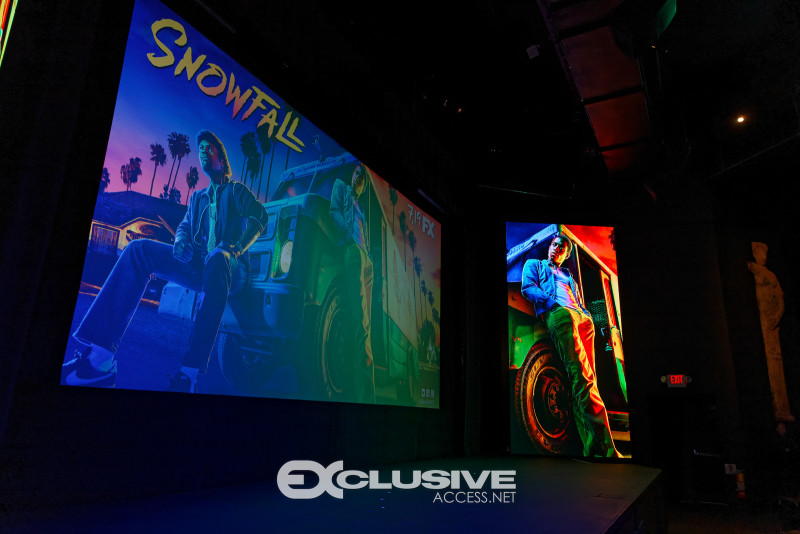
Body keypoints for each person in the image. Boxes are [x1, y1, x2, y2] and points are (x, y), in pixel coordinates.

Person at [62, 130, 269, 393]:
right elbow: (184, 227)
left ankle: (188, 375)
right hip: (200, 265)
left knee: (218, 257)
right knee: (138, 250)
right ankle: (99, 361)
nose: (203, 152)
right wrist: (180, 241)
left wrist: (236, 248)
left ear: (222, 157)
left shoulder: (237, 191)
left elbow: (260, 217)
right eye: (201, 149)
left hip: (233, 268)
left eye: (209, 148)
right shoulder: (198, 197)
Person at [521, 233, 620, 457]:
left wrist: (586, 314)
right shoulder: (535, 264)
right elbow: (528, 287)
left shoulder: (568, 275)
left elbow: (576, 297)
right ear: (550, 246)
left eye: (562, 248)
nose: (557, 249)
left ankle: (591, 446)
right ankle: (606, 448)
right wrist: (553, 305)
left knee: (587, 380)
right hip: (560, 314)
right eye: (555, 245)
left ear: (566, 255)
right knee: (582, 378)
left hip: (583, 320)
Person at [329, 163, 375, 403]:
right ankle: (365, 398)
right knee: (361, 322)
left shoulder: (361, 207)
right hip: (353, 253)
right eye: (357, 173)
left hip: (366, 260)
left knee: (366, 325)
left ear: (364, 185)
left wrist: (369, 257)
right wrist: (347, 233)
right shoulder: (341, 187)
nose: (358, 177)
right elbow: (333, 211)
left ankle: (366, 396)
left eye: (362, 176)